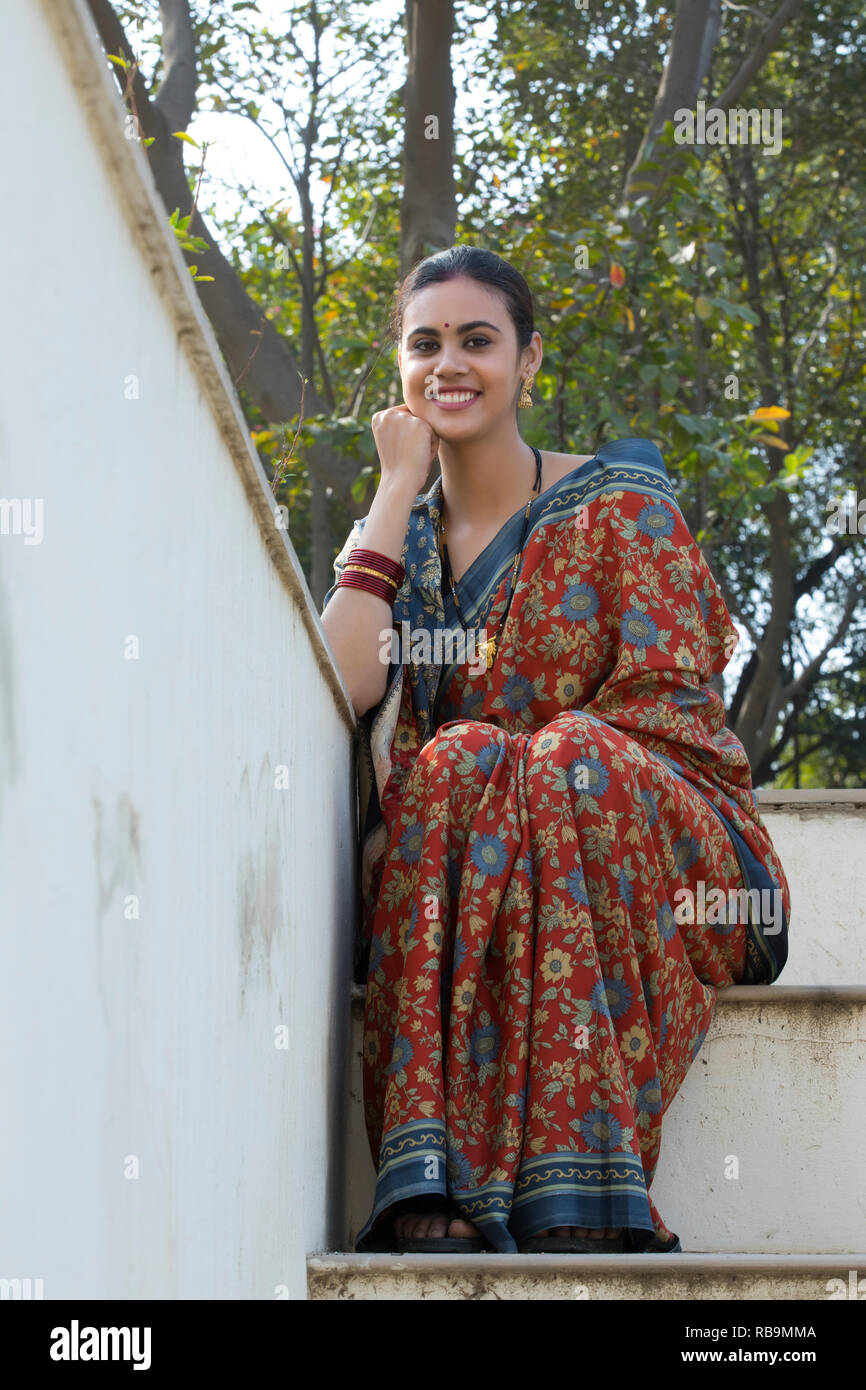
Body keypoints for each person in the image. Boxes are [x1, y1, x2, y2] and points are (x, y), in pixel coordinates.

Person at [320, 244, 790, 1256]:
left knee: (557, 754)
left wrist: (529, 770)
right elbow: (342, 681)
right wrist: (395, 491)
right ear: (399, 369)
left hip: (658, 838)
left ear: (527, 361)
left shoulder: (623, 506)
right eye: (425, 343)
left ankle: (580, 1187)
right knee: (449, 764)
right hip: (479, 839)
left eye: (477, 341)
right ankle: (427, 1182)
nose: (450, 363)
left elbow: (671, 713)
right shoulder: (397, 535)